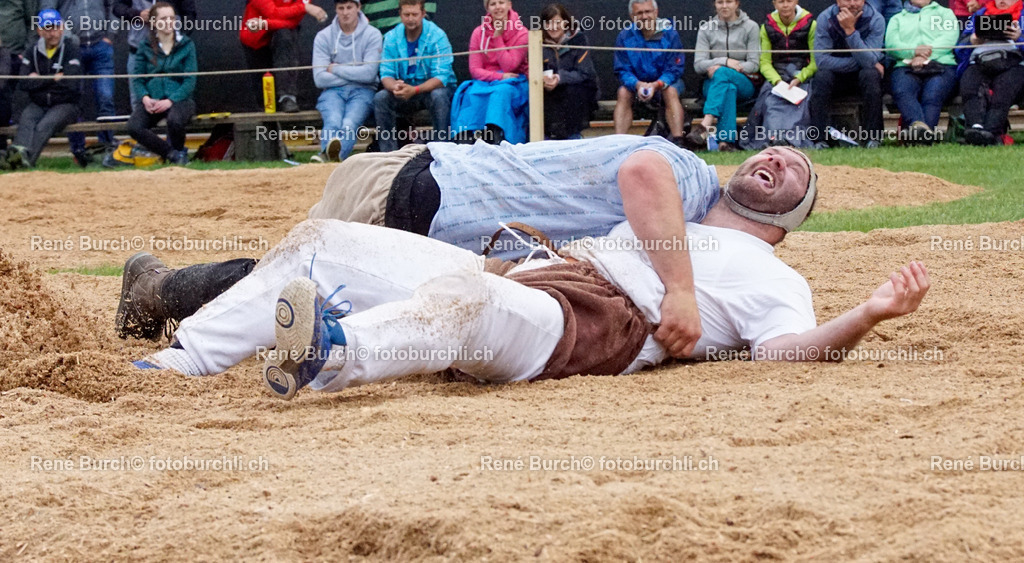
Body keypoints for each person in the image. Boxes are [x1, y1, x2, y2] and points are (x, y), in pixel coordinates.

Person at [127, 148, 930, 403]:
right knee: (321, 240)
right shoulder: (683, 206)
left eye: (794, 170)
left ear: (791, 218)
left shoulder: (776, 277)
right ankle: (177, 363)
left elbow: (784, 352)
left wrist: (866, 315)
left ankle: (330, 354)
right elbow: (643, 176)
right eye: (771, 150)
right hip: (546, 270)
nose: (777, 158)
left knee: (465, 299)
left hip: (601, 321)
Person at [40, 0, 118, 163]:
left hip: (100, 44)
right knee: (73, 101)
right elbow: (48, 12)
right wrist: (63, 42)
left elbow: (114, 4)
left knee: (106, 98)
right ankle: (78, 151)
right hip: (70, 49)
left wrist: (110, 35)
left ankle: (108, 148)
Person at [240, 0, 327, 114]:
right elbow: (271, 11)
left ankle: (288, 97)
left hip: (280, 35)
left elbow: (293, 22)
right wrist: (304, 7)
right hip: (255, 39)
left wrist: (265, 24)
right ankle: (270, 130)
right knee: (264, 100)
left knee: (285, 35)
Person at [374, 0, 456, 151]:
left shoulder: (437, 36)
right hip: (405, 90)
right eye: (406, 14)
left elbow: (441, 77)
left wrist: (415, 90)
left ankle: (442, 150)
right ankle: (388, 154)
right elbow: (386, 74)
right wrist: (394, 86)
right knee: (381, 98)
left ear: (423, 14)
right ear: (400, 14)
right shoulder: (391, 37)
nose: (410, 18)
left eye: (415, 14)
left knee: (439, 96)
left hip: (432, 90)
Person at [884, 0, 959, 144]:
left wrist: (924, 57)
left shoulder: (946, 14)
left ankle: (921, 137)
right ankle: (922, 133)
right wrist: (913, 52)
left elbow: (949, 38)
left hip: (941, 65)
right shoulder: (897, 19)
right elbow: (892, 44)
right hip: (906, 66)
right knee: (903, 91)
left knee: (932, 95)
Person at [310, 0, 383, 163]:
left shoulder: (373, 35)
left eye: (349, 7)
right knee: (333, 121)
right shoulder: (323, 36)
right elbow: (319, 78)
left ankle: (326, 158)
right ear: (335, 10)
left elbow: (369, 74)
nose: (345, 12)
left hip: (363, 91)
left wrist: (335, 69)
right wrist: (355, 73)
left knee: (349, 123)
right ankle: (332, 158)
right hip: (332, 92)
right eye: (341, 8)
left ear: (358, 7)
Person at [740, 0, 817, 151]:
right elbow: (764, 62)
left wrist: (799, 78)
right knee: (769, 103)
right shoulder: (766, 27)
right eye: (781, 1)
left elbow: (815, 60)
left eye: (789, 1)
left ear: (796, 1)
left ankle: (793, 140)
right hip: (777, 78)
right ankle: (773, 138)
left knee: (801, 105)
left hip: (802, 76)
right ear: (774, 3)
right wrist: (777, 81)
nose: (785, 5)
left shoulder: (811, 24)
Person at [809, 0, 885, 148]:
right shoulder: (825, 18)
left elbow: (870, 61)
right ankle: (819, 139)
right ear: (838, 1)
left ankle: (874, 138)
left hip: (861, 77)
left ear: (863, 0)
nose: (852, 4)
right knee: (821, 77)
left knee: (871, 74)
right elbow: (822, 61)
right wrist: (864, 61)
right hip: (835, 75)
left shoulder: (875, 19)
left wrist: (850, 31)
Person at [2, 9, 81, 169]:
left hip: (65, 105)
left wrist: (39, 79)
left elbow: (71, 84)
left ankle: (24, 163)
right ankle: (16, 159)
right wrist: (53, 78)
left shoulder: (71, 48)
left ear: (62, 28)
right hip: (38, 103)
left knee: (44, 126)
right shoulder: (31, 50)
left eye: (55, 28)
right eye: (47, 29)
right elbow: (24, 83)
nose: (52, 33)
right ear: (39, 30)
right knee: (26, 121)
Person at [450, 0, 529, 144]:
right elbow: (475, 70)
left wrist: (497, 37)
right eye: (493, 4)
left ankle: (497, 137)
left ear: (509, 5)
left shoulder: (522, 33)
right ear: (487, 8)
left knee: (500, 93)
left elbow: (510, 66)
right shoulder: (478, 33)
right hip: (487, 80)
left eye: (501, 3)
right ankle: (466, 139)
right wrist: (499, 76)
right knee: (470, 93)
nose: (498, 7)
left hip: (514, 81)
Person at [954, 0, 1024, 146]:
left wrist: (1019, 38)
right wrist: (972, 40)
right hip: (980, 61)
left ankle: (991, 131)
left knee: (1004, 90)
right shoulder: (980, 14)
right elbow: (959, 47)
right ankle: (975, 128)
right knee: (970, 85)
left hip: (1013, 63)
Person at [689, 0, 761, 151]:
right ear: (714, 4)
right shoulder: (706, 29)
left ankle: (706, 123)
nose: (724, 6)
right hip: (712, 84)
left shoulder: (751, 27)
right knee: (728, 88)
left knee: (723, 74)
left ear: (737, 4)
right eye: (720, 2)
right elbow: (699, 65)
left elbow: (754, 64)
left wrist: (725, 68)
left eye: (728, 1)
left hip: (745, 82)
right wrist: (725, 61)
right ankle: (725, 143)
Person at [127, 1, 197, 164]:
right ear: (153, 22)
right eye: (164, 19)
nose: (169, 22)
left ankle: (179, 152)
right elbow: (137, 78)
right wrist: (145, 97)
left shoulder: (187, 44)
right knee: (134, 127)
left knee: (174, 121)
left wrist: (170, 101)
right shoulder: (144, 46)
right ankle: (172, 155)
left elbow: (190, 81)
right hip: (153, 100)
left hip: (180, 100)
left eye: (172, 18)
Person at [612, 0, 685, 143]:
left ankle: (679, 141)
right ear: (632, 16)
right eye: (639, 13)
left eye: (648, 11)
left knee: (670, 91)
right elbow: (622, 70)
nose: (644, 16)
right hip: (636, 85)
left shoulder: (670, 34)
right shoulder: (624, 37)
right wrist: (637, 84)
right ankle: (619, 143)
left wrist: (658, 84)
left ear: (656, 12)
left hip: (665, 83)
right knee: (623, 92)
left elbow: (675, 69)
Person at [0, 0, 37, 152]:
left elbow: (32, 21)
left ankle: (14, 149)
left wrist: (26, 51)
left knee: (11, 103)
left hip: (15, 54)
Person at [540, 2, 598, 140]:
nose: (553, 27)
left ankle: (573, 137)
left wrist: (560, 78)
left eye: (557, 22)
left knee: (573, 91)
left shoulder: (579, 40)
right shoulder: (538, 42)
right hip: (549, 92)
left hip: (575, 91)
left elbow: (585, 72)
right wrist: (543, 79)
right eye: (548, 23)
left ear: (565, 23)